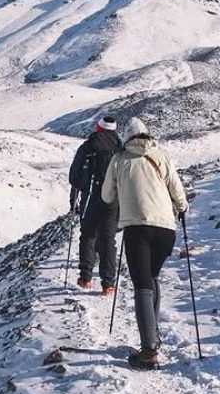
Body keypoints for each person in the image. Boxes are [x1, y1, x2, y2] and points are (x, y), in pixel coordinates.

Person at [101, 116, 188, 370]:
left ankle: (149, 352)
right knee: (152, 277)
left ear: (127, 138)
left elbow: (106, 195)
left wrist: (122, 189)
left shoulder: (119, 159)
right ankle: (154, 334)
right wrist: (182, 208)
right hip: (166, 229)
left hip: (137, 228)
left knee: (141, 285)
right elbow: (177, 190)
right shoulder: (161, 155)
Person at [69, 116, 122, 293]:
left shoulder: (87, 147)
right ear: (114, 130)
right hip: (113, 198)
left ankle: (85, 278)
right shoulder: (120, 148)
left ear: (98, 128)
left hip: (91, 197)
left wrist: (74, 200)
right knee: (108, 238)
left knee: (88, 235)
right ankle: (108, 284)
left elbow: (74, 176)